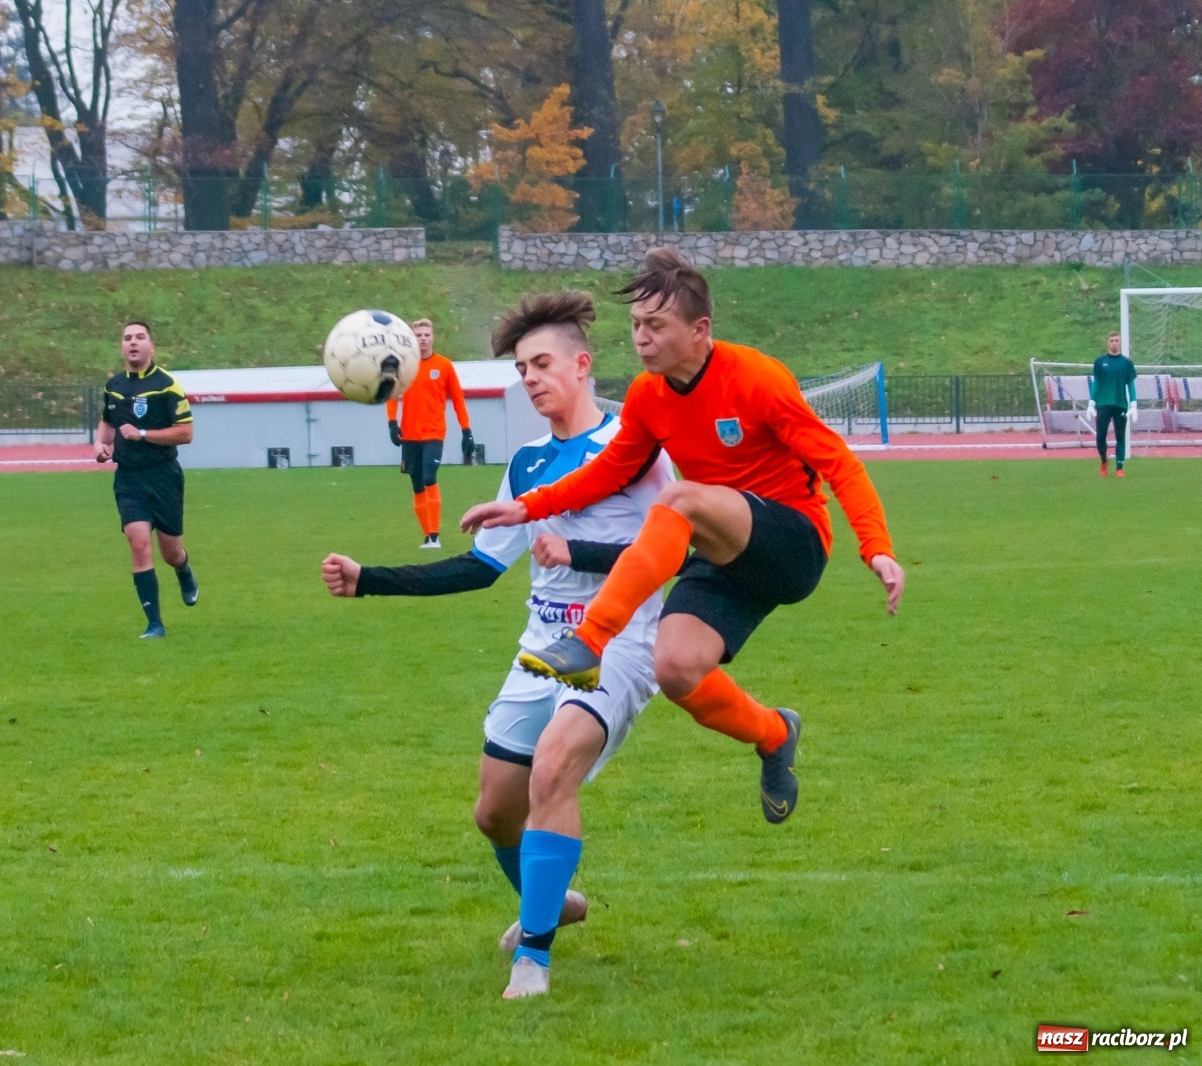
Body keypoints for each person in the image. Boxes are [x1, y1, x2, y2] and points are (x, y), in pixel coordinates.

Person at [463, 248, 904, 830]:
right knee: (673, 668)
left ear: (700, 331)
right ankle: (774, 734)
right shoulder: (649, 397)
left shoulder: (756, 378)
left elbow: (839, 464)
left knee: (679, 499)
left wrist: (876, 547)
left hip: (792, 542)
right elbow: (605, 474)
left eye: (655, 326)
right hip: (721, 549)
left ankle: (589, 640)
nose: (641, 339)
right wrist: (526, 507)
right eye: (635, 326)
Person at [324, 292, 673, 1001]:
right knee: (495, 813)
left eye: (543, 364)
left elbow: (671, 548)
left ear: (582, 365)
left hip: (618, 646)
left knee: (552, 774)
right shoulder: (528, 462)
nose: (532, 379)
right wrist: (370, 581)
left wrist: (571, 545)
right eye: (522, 369)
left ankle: (533, 958)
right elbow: (480, 567)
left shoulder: (635, 448)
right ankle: (556, 904)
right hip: (538, 648)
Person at [94, 320, 199, 638]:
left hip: (163, 476)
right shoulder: (114, 386)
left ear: (151, 346)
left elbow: (186, 433)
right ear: (122, 346)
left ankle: (183, 568)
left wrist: (142, 434)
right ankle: (155, 624)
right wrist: (101, 445)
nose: (133, 342)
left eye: (140, 337)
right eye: (127, 338)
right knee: (139, 544)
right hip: (128, 479)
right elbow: (107, 421)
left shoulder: (167, 385)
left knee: (170, 552)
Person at [386, 318, 475, 549]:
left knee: (429, 477)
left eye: (426, 334)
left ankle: (435, 535)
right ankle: (427, 537)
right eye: (418, 335)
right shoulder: (404, 365)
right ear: (412, 339)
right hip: (410, 436)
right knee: (416, 484)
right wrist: (391, 423)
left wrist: (466, 431)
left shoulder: (444, 366)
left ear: (432, 337)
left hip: (434, 434)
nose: (423, 338)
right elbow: (392, 395)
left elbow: (458, 399)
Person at [1087, 330, 1137, 478]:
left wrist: (1133, 404)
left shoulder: (1127, 363)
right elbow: (1096, 383)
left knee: (1120, 436)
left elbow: (1131, 384)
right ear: (1107, 342)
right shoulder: (1100, 362)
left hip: (1120, 404)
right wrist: (1091, 402)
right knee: (1100, 436)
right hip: (1103, 404)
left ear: (1120, 342)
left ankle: (1119, 468)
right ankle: (1104, 460)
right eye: (1112, 340)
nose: (1114, 343)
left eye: (1117, 340)